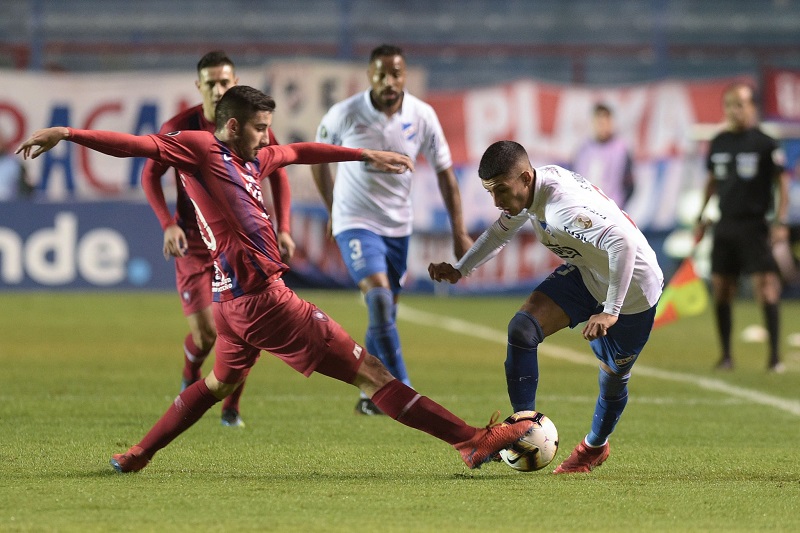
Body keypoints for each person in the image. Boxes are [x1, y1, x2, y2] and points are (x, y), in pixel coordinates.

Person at [17, 86, 533, 474]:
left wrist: (365, 156)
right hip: (266, 303)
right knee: (372, 374)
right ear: (235, 124)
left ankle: (138, 454)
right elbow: (136, 147)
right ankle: (470, 440)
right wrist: (66, 133)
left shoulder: (251, 158)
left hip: (234, 306)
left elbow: (300, 153)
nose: (268, 137)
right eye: (261, 126)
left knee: (217, 383)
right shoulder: (198, 149)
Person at [429, 140, 664, 474]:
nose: (496, 201)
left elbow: (622, 241)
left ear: (525, 178)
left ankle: (594, 447)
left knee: (612, 379)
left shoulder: (561, 208)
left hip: (632, 292)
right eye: (490, 192)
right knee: (522, 329)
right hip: (588, 273)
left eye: (500, 191)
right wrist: (461, 269)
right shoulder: (533, 187)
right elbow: (500, 232)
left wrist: (611, 310)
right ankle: (523, 428)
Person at [311, 44, 473, 415]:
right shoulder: (346, 114)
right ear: (369, 75)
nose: (388, 81)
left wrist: (459, 230)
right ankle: (404, 391)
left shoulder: (422, 116)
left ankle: (372, 394)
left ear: (405, 76)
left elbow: (446, 173)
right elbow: (316, 157)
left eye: (395, 74)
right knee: (380, 299)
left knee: (384, 312)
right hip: (355, 221)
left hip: (398, 226)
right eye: (381, 74)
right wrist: (332, 206)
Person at [141, 50, 295, 428]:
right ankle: (190, 374)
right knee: (207, 333)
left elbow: (280, 173)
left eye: (224, 81)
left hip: (240, 245)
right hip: (194, 242)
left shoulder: (252, 124)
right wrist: (167, 224)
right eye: (210, 82)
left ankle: (231, 408)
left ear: (234, 81)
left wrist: (285, 227)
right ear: (199, 86)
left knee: (252, 324)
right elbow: (149, 175)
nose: (218, 88)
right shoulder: (180, 126)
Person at [694, 82, 790, 373]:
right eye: (730, 105)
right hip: (725, 225)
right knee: (722, 289)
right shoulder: (719, 141)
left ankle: (774, 358)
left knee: (767, 288)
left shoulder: (764, 143)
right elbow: (712, 182)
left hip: (755, 225)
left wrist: (780, 221)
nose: (736, 110)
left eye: (742, 104)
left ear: (752, 107)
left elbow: (781, 184)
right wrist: (702, 215)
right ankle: (725, 356)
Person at [571, 103, 635, 209]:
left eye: (606, 122)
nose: (602, 126)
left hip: (611, 211)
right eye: (599, 123)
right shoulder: (583, 150)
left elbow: (630, 185)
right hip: (585, 210)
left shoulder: (621, 150)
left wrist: (618, 207)